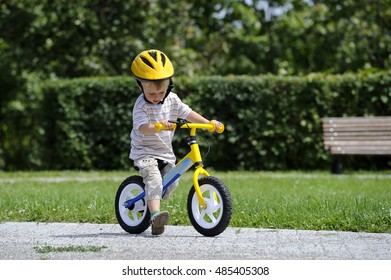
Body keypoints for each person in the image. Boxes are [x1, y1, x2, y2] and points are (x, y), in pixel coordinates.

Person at [129, 49, 223, 235]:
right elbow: (142, 128)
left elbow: (187, 113)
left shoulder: (172, 99)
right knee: (155, 180)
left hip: (164, 152)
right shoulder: (140, 105)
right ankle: (155, 216)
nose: (156, 97)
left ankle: (151, 197)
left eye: (160, 92)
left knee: (171, 182)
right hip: (144, 151)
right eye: (151, 93)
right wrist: (156, 126)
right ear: (140, 86)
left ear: (169, 85)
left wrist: (208, 123)